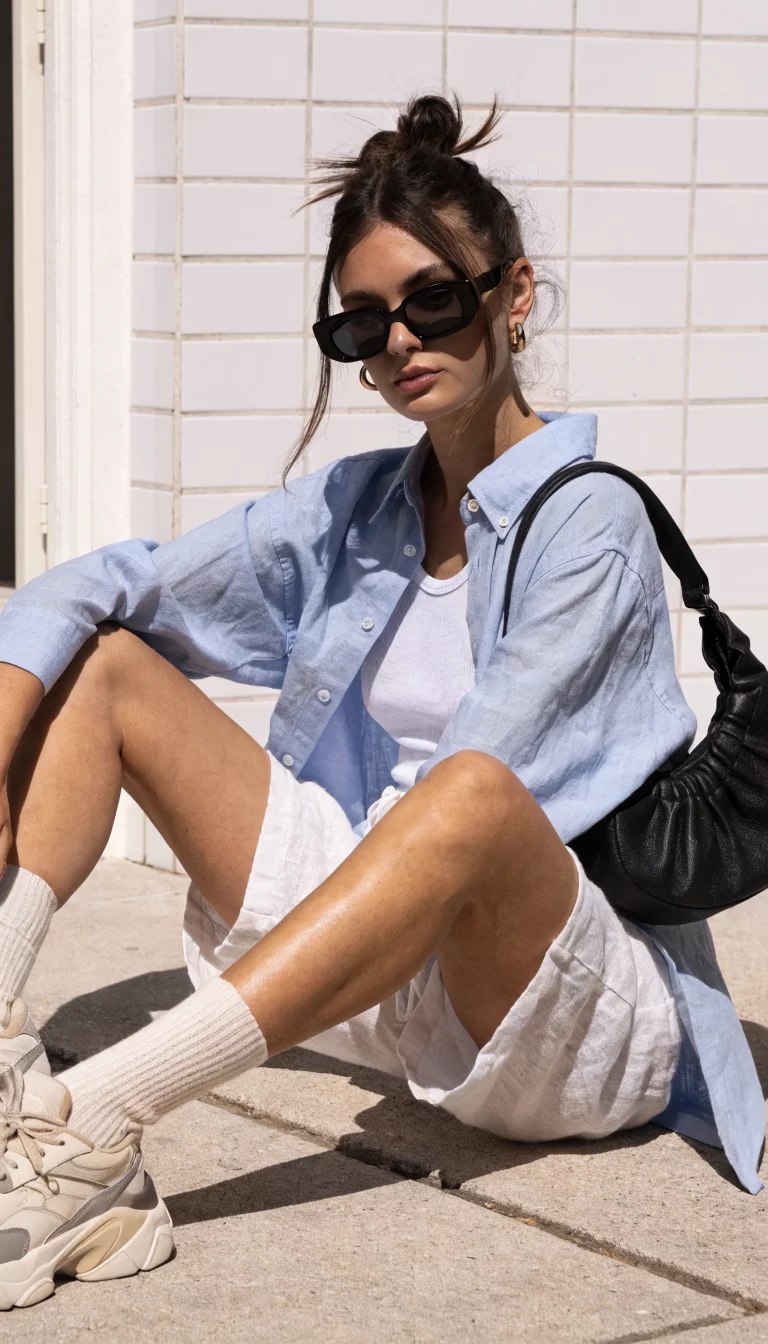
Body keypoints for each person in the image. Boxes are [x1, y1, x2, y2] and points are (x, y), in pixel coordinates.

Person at [0, 95, 762, 1308]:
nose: (399, 340)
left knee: (467, 794)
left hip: (563, 1000)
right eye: (362, 322)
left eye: (434, 301)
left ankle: (89, 1130)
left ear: (513, 296)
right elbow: (113, 581)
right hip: (386, 956)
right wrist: (8, 716)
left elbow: (481, 815)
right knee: (101, 665)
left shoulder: (592, 526)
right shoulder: (362, 506)